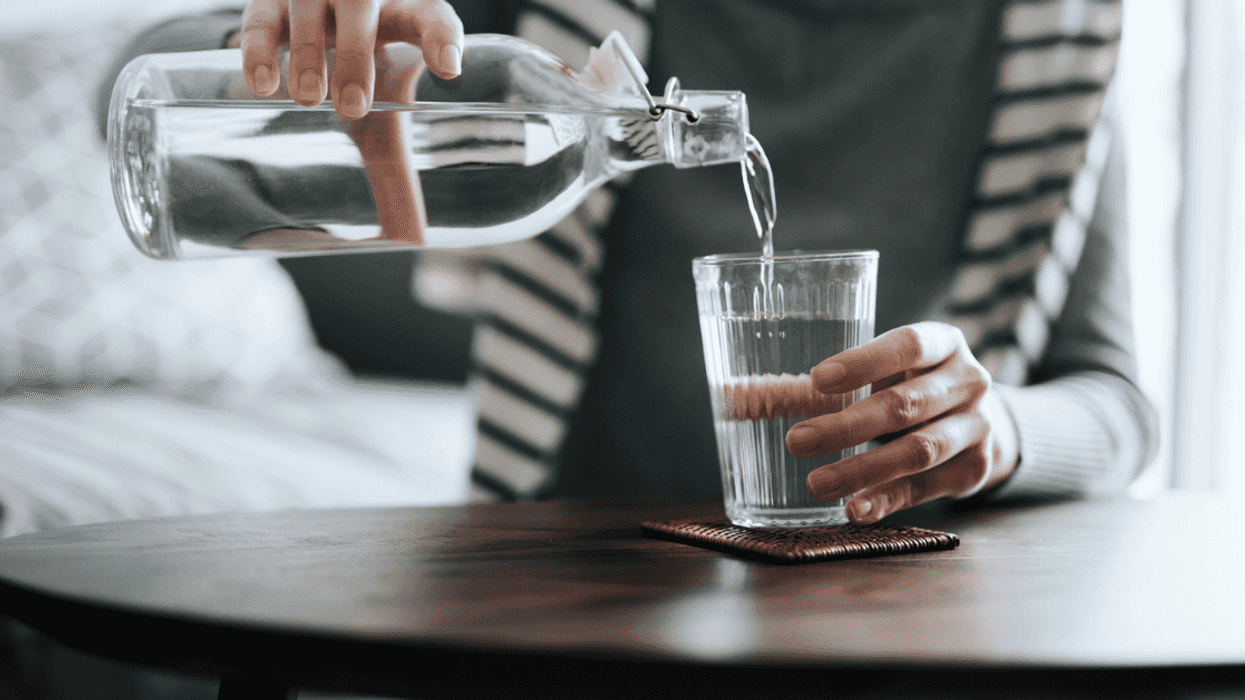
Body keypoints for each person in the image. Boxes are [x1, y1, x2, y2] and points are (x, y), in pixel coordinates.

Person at [105, 0, 1157, 524]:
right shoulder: (571, 27)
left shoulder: (1054, 35)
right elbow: (131, 92)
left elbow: (1119, 404)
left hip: (915, 593)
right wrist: (286, 36)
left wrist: (998, 427)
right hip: (581, 568)